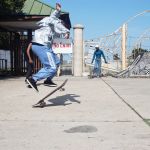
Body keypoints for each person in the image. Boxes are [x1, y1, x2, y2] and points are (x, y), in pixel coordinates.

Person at [26, 3, 70, 92]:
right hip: (42, 45)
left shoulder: (50, 20)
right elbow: (56, 22)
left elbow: (53, 16)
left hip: (44, 46)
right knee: (51, 67)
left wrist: (58, 10)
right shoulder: (55, 21)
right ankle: (33, 79)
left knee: (57, 62)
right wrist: (66, 31)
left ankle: (48, 80)